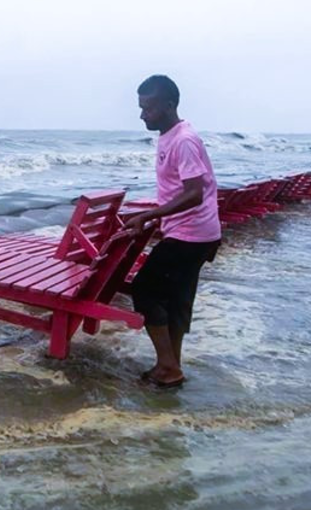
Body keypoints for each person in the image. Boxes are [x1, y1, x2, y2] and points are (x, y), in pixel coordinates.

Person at [123, 75, 221, 389]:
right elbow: (177, 190)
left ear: (168, 106)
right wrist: (156, 217)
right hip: (194, 231)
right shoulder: (170, 136)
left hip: (191, 234)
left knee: (144, 290)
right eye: (141, 108)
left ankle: (168, 367)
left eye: (148, 109)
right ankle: (171, 365)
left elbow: (194, 192)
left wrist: (152, 214)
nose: (142, 115)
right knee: (176, 299)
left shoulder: (184, 140)